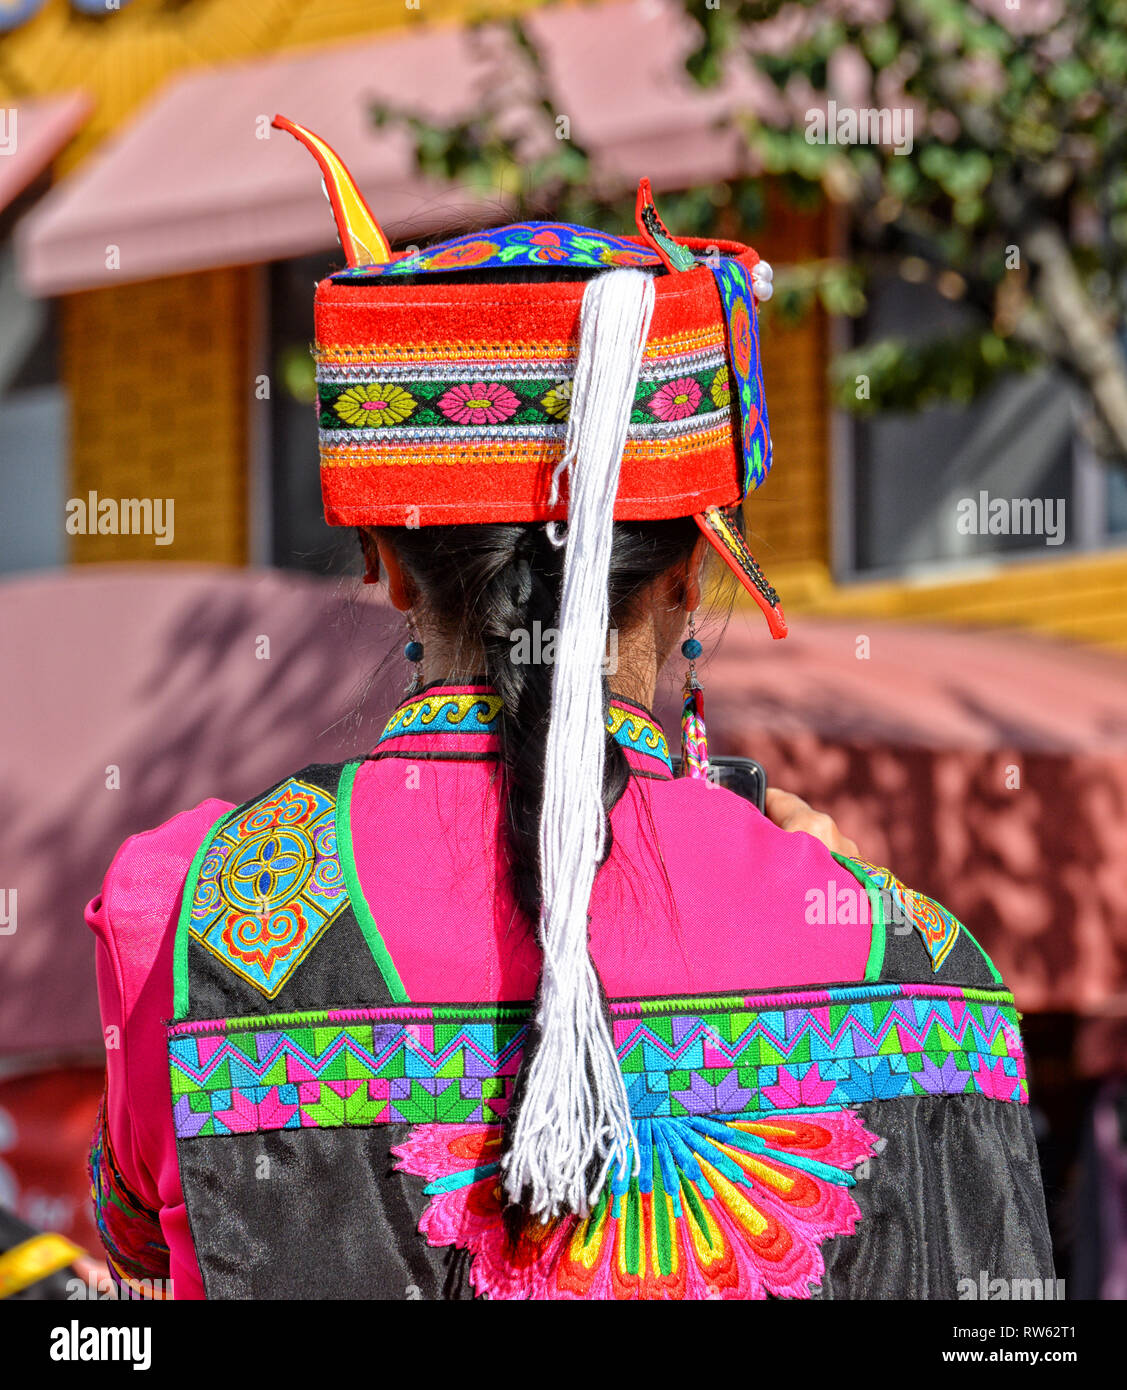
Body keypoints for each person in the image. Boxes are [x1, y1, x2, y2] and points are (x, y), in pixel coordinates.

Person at [86, 118, 1053, 1300]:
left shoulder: (201, 925)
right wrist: (858, 917)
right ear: (692, 574)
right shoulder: (913, 970)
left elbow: (138, 1261)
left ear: (392, 566)